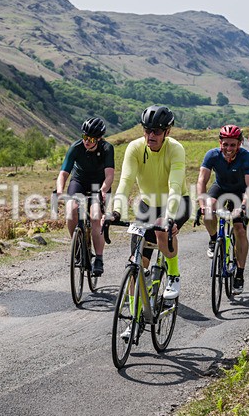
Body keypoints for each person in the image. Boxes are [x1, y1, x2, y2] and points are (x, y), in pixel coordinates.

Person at [111, 105, 191, 303]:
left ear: (167, 132)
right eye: (147, 130)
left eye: (156, 131)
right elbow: (126, 181)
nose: (151, 135)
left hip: (178, 202)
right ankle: (132, 319)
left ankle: (173, 275)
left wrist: (169, 218)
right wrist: (115, 211)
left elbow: (174, 186)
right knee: (136, 264)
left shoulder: (175, 149)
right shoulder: (135, 148)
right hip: (148, 206)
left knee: (161, 233)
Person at [196, 125, 249, 294]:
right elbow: (202, 180)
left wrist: (243, 205)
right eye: (225, 144)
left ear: (240, 143)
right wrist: (201, 203)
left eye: (233, 145)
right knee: (208, 208)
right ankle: (214, 238)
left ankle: (240, 274)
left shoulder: (247, 157)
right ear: (220, 143)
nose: (229, 149)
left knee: (239, 230)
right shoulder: (212, 155)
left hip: (240, 191)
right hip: (220, 187)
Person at [55, 117, 114, 276]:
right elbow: (63, 173)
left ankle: (99, 259)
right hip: (79, 181)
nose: (86, 141)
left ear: (99, 138)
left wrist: (103, 190)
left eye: (91, 139)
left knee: (95, 217)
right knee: (71, 209)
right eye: (84, 137)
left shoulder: (107, 148)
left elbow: (109, 175)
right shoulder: (76, 147)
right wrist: (60, 191)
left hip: (98, 185)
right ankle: (78, 249)